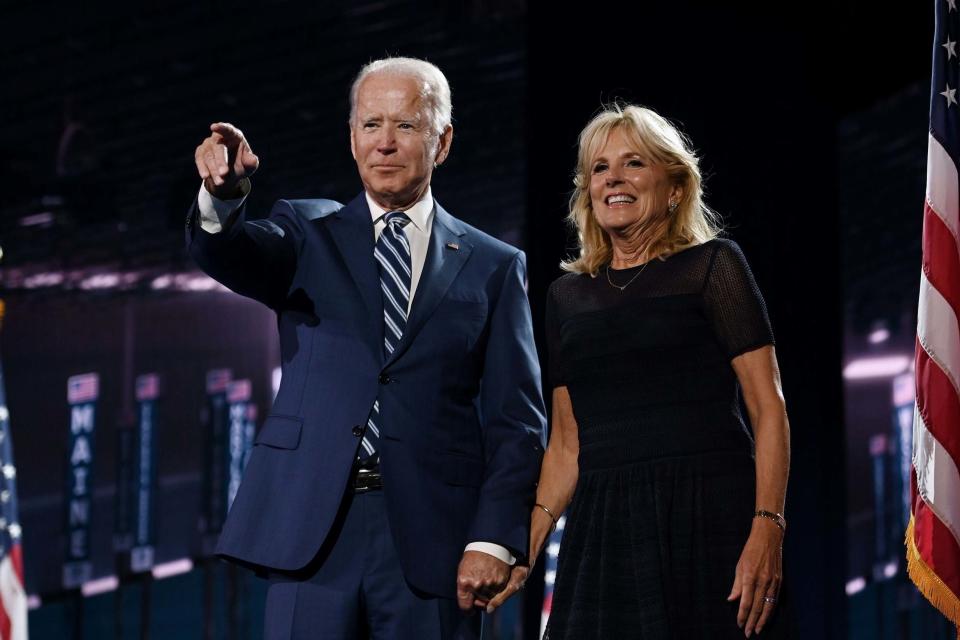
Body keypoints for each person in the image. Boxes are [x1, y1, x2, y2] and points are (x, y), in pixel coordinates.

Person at [186, 57, 546, 640]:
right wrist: (222, 198)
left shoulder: (494, 267)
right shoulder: (306, 233)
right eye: (371, 125)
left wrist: (493, 537)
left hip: (433, 540)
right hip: (312, 529)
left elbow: (517, 421)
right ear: (351, 139)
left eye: (405, 126)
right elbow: (230, 254)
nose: (385, 143)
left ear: (443, 140)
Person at [487, 104, 791, 638]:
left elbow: (769, 410)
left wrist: (768, 527)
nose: (614, 180)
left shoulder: (713, 267)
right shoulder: (566, 297)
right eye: (600, 168)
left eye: (633, 164)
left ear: (673, 187)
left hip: (707, 516)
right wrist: (523, 548)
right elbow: (565, 445)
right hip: (605, 527)